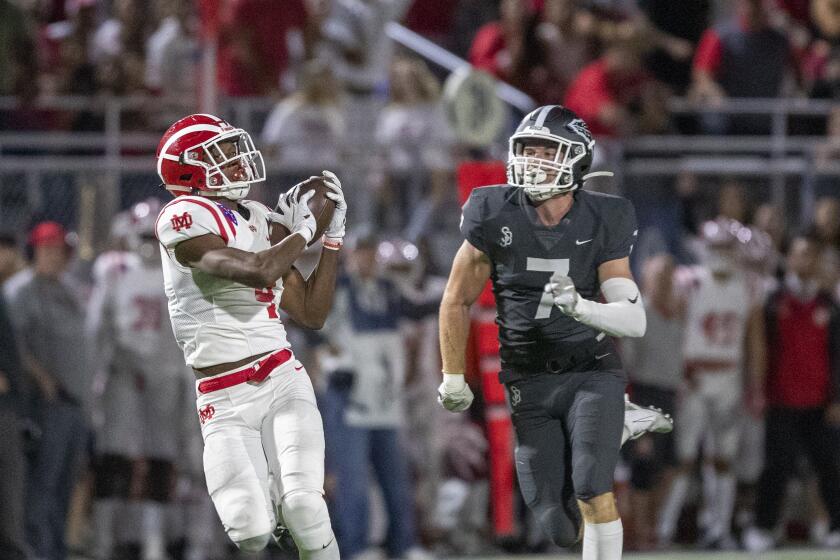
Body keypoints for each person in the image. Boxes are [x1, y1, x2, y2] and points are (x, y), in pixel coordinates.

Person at [436, 105, 672, 560]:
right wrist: (451, 375)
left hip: (591, 367)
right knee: (557, 525)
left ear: (578, 160)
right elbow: (456, 298)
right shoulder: (492, 210)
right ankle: (615, 428)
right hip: (527, 377)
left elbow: (633, 318)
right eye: (528, 150)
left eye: (548, 152)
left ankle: (609, 423)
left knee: (592, 488)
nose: (534, 161)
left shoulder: (603, 216)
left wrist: (582, 307)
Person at [153, 113, 347, 558]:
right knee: (249, 529)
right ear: (188, 169)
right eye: (220, 154)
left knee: (305, 507)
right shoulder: (182, 216)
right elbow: (255, 269)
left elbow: (311, 313)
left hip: (282, 378)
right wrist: (303, 232)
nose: (236, 161)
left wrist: (331, 240)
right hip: (223, 397)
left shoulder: (257, 217)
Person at [86, 198, 190, 560]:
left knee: (161, 459)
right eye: (144, 234)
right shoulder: (114, 269)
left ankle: (153, 542)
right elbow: (96, 328)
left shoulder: (179, 272)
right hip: (123, 374)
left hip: (163, 375)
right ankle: (104, 541)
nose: (148, 242)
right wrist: (96, 376)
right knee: (114, 458)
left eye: (154, 235)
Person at [657, 218, 763, 550]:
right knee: (685, 458)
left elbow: (755, 342)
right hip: (694, 378)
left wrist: (755, 387)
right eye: (715, 248)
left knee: (724, 457)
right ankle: (664, 529)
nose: (720, 255)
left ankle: (719, 528)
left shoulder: (749, 285)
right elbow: (666, 318)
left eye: (725, 248)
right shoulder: (690, 281)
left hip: (729, 376)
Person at [742, 233, 840, 552]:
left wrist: (836, 398)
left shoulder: (829, 304)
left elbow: (836, 354)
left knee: (829, 467)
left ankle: (834, 527)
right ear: (791, 259)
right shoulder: (773, 300)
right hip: (781, 399)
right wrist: (758, 391)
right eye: (801, 254)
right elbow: (759, 348)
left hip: (819, 402)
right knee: (776, 468)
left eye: (812, 254)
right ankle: (763, 527)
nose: (806, 260)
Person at [8, 221, 92, 560]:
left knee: (64, 487)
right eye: (47, 250)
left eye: (59, 250)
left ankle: (55, 551)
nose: (54, 257)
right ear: (33, 251)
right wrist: (41, 378)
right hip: (45, 403)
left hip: (75, 405)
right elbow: (15, 346)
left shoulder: (66, 288)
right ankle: (36, 552)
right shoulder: (21, 291)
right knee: (41, 488)